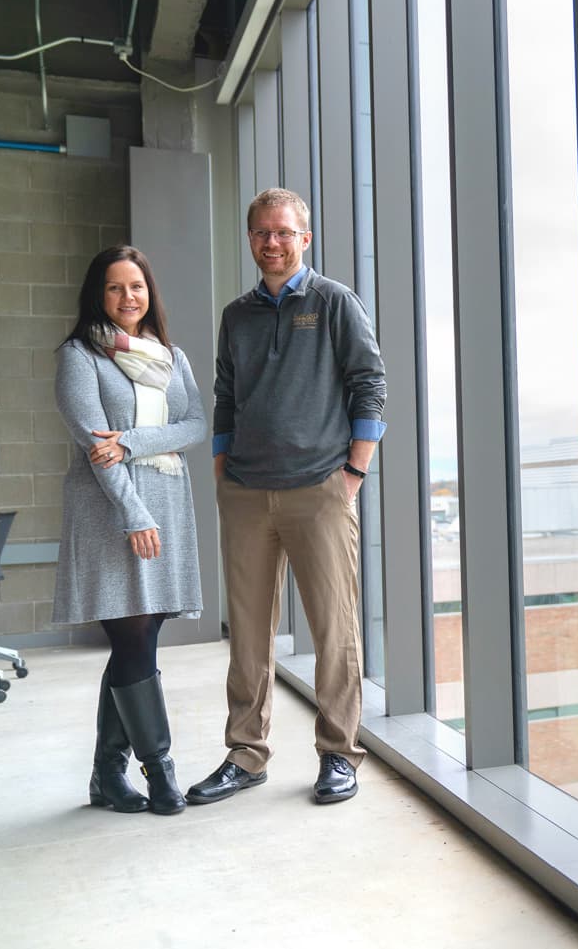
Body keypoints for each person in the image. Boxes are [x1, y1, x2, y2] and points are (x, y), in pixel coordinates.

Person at [187, 188, 386, 807]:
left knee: (334, 630)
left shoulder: (333, 303)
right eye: (261, 233)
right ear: (250, 240)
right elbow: (225, 394)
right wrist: (222, 471)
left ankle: (338, 754)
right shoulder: (236, 315)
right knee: (247, 634)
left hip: (319, 489)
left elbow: (370, 385)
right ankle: (245, 754)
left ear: (304, 238)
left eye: (283, 232)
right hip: (246, 492)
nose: (271, 243)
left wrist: (352, 475)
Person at [53, 245, 206, 816]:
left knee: (138, 641)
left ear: (149, 293)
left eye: (136, 287)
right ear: (98, 293)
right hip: (110, 509)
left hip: (168, 499)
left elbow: (193, 423)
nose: (127, 298)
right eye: (115, 288)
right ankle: (160, 769)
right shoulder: (79, 356)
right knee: (132, 637)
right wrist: (134, 514)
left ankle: (106, 776)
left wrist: (136, 440)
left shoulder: (170, 356)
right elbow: (97, 446)